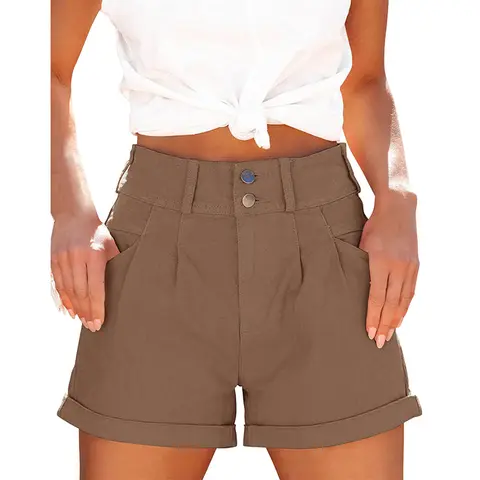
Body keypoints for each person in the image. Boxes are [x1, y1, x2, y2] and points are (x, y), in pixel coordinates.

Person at [51, 0, 422, 478]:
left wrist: (396, 198)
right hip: (155, 251)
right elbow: (47, 70)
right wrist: (70, 211)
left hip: (325, 246)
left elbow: (365, 79)